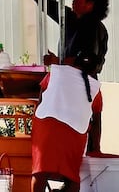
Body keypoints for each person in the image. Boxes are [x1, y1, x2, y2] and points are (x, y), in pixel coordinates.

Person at [41, 0, 109, 154]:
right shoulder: (70, 20)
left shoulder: (94, 27)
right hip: (70, 90)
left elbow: (87, 61)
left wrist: (58, 62)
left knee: (81, 144)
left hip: (84, 92)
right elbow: (45, 2)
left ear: (90, 4)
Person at [31, 63, 103, 191]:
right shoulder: (95, 87)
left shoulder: (55, 72)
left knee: (41, 173)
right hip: (74, 133)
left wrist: (35, 128)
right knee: (72, 177)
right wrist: (96, 150)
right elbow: (96, 123)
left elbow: (40, 100)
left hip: (46, 125)